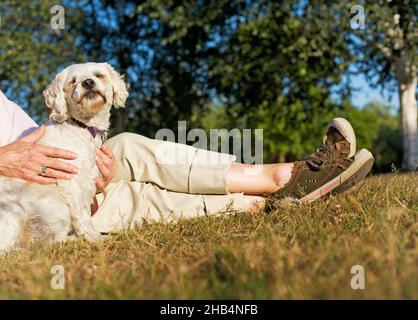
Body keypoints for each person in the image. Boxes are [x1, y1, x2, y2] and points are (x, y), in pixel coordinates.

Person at [0, 90, 373, 233]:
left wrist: (85, 169)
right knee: (140, 199)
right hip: (31, 208)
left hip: (63, 176)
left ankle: (282, 177)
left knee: (127, 147)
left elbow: (41, 136)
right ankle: (271, 198)